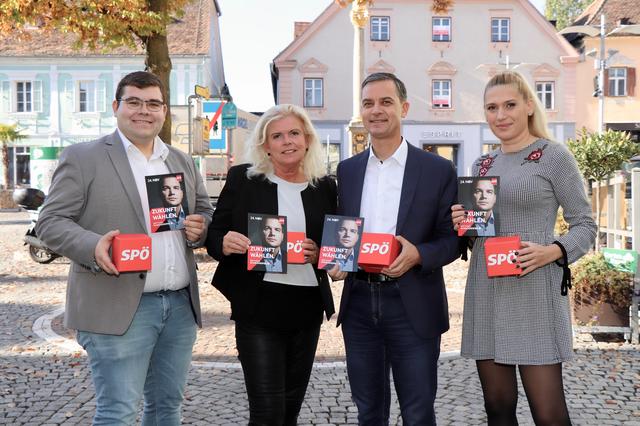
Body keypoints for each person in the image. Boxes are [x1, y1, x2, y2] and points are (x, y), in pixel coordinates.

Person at [35, 71, 214, 425]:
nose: (143, 111)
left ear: (164, 111)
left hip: (178, 306)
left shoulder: (179, 161)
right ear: (116, 107)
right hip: (116, 306)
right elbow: (50, 222)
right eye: (133, 102)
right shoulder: (84, 157)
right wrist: (92, 245)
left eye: (152, 103)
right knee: (118, 412)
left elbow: (204, 211)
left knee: (167, 409)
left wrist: (201, 227)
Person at [452, 71, 596, 425]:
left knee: (549, 415)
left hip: (534, 291)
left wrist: (555, 250)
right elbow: (478, 236)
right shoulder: (481, 165)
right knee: (497, 409)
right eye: (492, 107)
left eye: (510, 105)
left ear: (529, 106)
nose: (501, 115)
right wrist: (463, 226)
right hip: (487, 292)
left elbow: (585, 224)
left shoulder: (553, 156)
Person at [331, 72, 459, 425]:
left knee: (417, 412)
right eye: (368, 103)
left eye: (386, 102)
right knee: (368, 411)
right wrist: (337, 262)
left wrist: (419, 254)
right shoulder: (347, 170)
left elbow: (453, 238)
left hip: (413, 304)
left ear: (403, 107)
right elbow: (343, 233)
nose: (377, 110)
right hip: (359, 303)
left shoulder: (437, 169)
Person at [206, 104, 337, 425]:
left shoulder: (326, 188)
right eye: (277, 136)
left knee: (290, 411)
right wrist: (222, 242)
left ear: (307, 139)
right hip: (258, 307)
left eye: (294, 133)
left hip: (306, 309)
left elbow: (335, 253)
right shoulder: (245, 179)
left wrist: (320, 253)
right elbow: (215, 234)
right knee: (267, 413)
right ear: (266, 145)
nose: (287, 141)